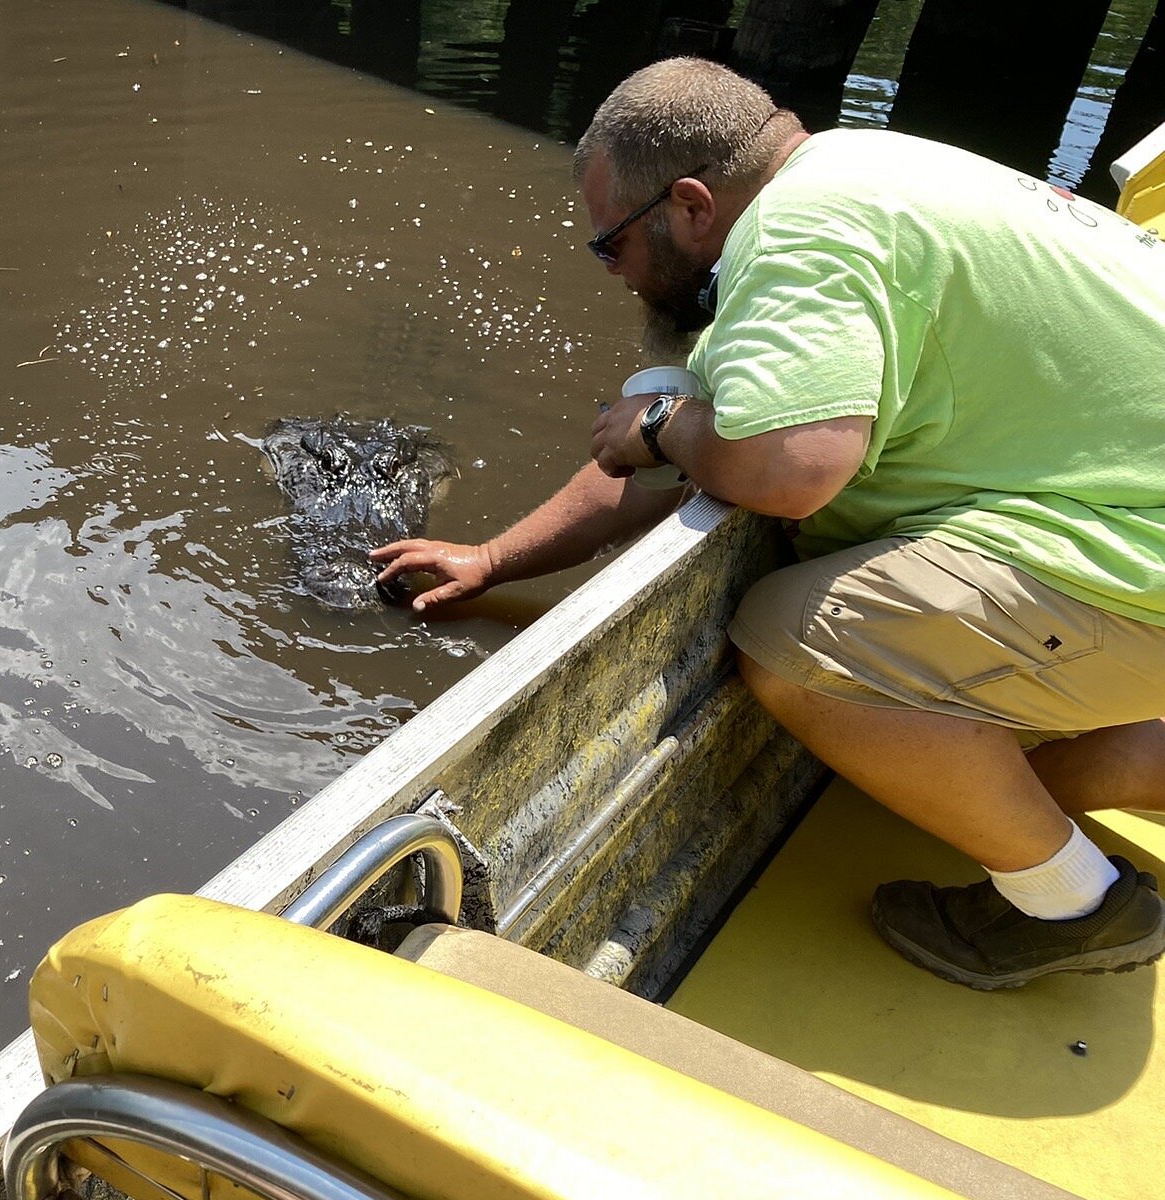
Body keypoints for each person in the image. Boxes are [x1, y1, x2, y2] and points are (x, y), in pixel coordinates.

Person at [373, 58, 1165, 990]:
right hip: (1133, 524)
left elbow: (786, 471)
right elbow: (690, 452)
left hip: (1132, 566)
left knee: (798, 644)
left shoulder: (796, 241)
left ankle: (1075, 904)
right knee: (983, 772)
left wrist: (662, 425)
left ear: (692, 206)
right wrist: (496, 557)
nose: (614, 273)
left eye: (611, 246)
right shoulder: (853, 168)